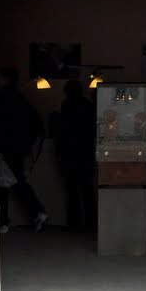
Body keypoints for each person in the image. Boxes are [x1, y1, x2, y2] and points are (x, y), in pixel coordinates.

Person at [0, 67, 48, 233]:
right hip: (18, 149)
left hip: (8, 149)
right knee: (16, 184)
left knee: (4, 186)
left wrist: (0, 148)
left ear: (5, 80)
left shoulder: (3, 99)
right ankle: (37, 212)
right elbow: (37, 124)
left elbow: (1, 127)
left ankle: (5, 221)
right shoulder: (21, 100)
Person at [55, 78, 97, 231]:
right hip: (85, 152)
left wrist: (59, 152)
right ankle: (91, 222)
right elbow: (93, 129)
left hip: (70, 154)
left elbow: (61, 131)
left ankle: (74, 224)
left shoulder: (66, 106)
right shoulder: (87, 105)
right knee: (87, 191)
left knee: (72, 192)